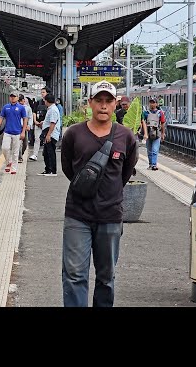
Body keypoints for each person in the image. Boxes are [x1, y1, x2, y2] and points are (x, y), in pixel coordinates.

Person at [61, 80, 138, 307]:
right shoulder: (73, 134)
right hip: (77, 214)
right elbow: (68, 169)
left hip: (110, 215)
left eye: (108, 101)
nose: (103, 106)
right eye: (98, 101)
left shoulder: (126, 137)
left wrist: (108, 191)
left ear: (115, 105)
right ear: (90, 104)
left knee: (106, 277)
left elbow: (125, 173)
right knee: (74, 274)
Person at [0, 92, 27, 175]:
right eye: (11, 96)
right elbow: (1, 118)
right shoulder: (6, 107)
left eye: (14, 96)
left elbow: (25, 119)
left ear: (17, 98)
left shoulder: (21, 108)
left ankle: (14, 168)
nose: (12, 98)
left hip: (17, 132)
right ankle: (8, 162)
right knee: (5, 148)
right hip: (7, 131)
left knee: (15, 152)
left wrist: (23, 131)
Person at [39, 93, 61, 176]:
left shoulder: (53, 110)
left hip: (51, 134)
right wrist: (43, 122)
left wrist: (48, 135)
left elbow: (53, 123)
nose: (44, 102)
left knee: (50, 153)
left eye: (44, 100)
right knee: (46, 153)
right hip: (49, 133)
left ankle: (52, 171)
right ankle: (48, 170)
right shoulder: (51, 109)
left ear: (47, 101)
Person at [141, 97, 166, 170]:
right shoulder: (145, 113)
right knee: (149, 150)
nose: (152, 104)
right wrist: (144, 133)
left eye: (153, 102)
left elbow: (163, 123)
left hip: (157, 133)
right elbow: (143, 122)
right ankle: (150, 164)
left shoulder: (160, 113)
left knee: (155, 150)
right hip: (148, 133)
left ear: (156, 104)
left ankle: (154, 165)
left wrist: (162, 133)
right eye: (151, 102)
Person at [29, 87, 50, 161]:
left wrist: (44, 122)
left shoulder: (50, 102)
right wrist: (35, 121)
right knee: (37, 139)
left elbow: (50, 114)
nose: (42, 94)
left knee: (47, 140)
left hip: (46, 125)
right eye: (41, 92)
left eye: (43, 92)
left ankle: (47, 154)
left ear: (47, 93)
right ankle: (35, 154)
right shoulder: (38, 102)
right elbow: (34, 112)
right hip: (38, 124)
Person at [18, 95, 33, 162]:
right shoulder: (16, 107)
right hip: (17, 127)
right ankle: (19, 157)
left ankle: (21, 154)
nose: (23, 101)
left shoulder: (28, 108)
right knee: (19, 143)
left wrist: (29, 125)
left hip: (25, 127)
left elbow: (30, 117)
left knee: (25, 143)